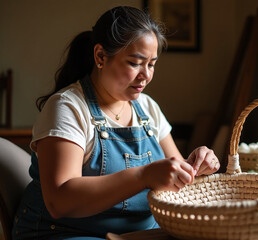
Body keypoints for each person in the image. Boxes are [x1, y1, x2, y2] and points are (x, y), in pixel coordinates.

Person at [12, 6, 220, 240]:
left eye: (151, 64)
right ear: (100, 56)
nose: (146, 75)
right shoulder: (67, 108)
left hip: (139, 233)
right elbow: (59, 200)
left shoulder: (147, 107)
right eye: (135, 63)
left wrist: (197, 166)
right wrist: (143, 176)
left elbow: (178, 175)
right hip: (67, 233)